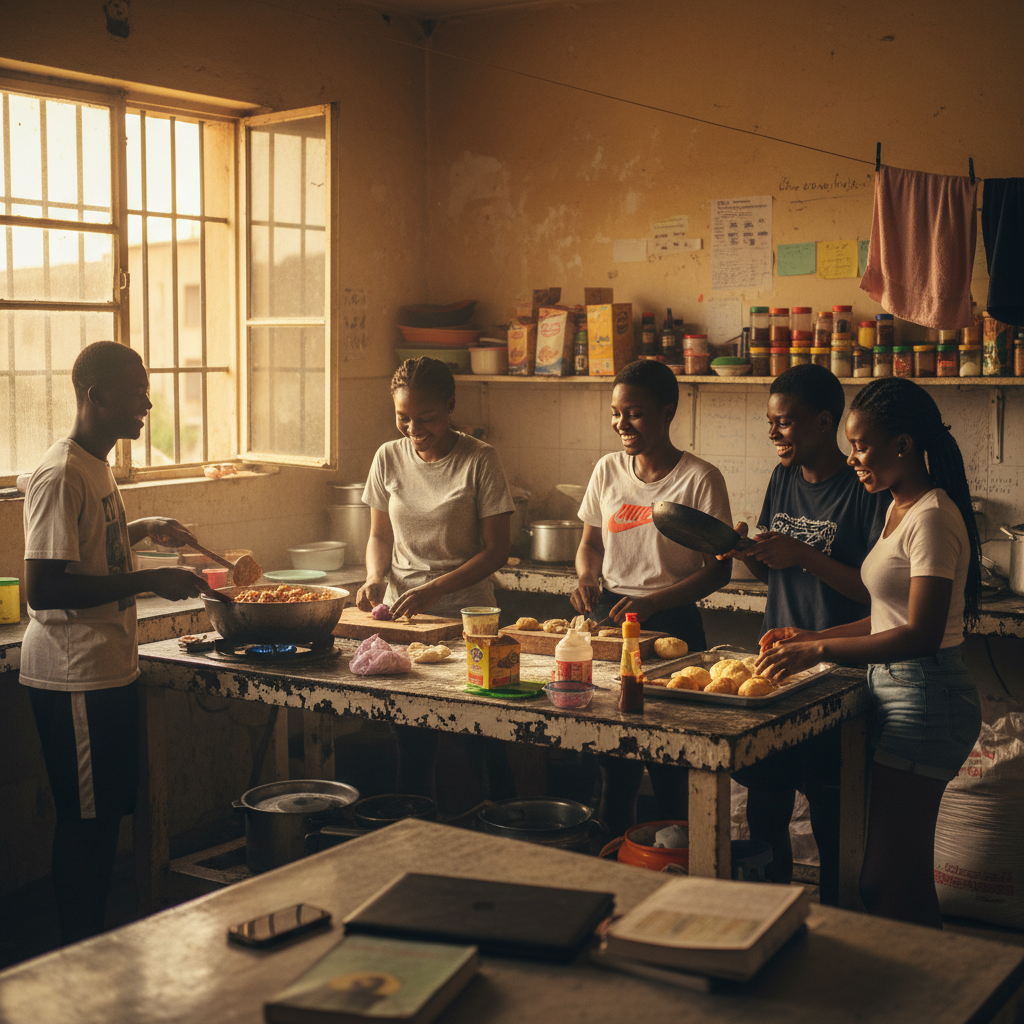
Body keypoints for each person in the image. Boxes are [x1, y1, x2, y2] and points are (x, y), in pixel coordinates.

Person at [756, 377, 983, 927]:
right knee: (908, 878)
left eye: (860, 445)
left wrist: (823, 651)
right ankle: (947, 998)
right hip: (904, 693)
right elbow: (890, 616)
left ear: (902, 445)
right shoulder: (898, 507)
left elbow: (921, 634)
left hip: (926, 700)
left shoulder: (930, 515)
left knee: (879, 883)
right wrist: (805, 638)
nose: (852, 457)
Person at [21, 341, 223, 944]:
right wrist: (151, 578)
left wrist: (139, 530)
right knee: (85, 823)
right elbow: (45, 588)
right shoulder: (60, 473)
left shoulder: (95, 464)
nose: (148, 404)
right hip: (73, 670)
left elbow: (85, 551)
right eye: (137, 393)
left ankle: (95, 942)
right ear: (96, 396)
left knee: (104, 814)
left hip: (106, 665)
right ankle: (79, 951)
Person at [722, 363, 889, 905]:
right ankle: (773, 908)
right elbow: (771, 572)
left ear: (824, 423)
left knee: (829, 807)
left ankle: (840, 914)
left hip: (836, 672)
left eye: (786, 423)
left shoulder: (864, 488)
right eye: (770, 423)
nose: (773, 434)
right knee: (765, 802)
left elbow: (874, 593)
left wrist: (804, 555)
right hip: (776, 665)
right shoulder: (782, 479)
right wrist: (744, 553)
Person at [570, 359, 732, 836]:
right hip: (610, 618)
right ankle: (615, 861)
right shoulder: (607, 470)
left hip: (673, 627)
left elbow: (719, 570)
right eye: (617, 414)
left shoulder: (700, 478)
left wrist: (657, 603)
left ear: (667, 412)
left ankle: (675, 863)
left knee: (671, 760)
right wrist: (587, 578)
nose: (622, 424)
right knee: (613, 762)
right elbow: (590, 544)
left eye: (635, 414)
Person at [356, 356, 514, 797]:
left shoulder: (480, 460)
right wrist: (374, 577)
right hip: (407, 623)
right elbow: (378, 536)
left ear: (450, 405)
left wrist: (435, 589)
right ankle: (415, 830)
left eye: (425, 418)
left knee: (481, 733)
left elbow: (497, 550)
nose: (413, 429)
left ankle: (500, 830)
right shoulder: (388, 457)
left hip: (471, 623)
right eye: (402, 418)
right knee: (412, 735)